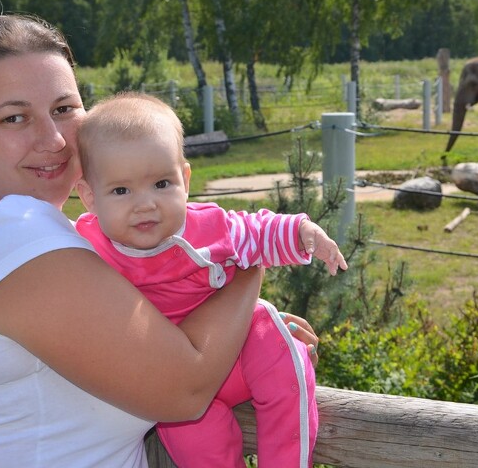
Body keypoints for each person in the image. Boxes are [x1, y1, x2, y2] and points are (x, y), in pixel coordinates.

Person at [0, 14, 319, 468]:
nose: (54, 139)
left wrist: (235, 328)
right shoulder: (13, 235)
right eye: (14, 118)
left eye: (64, 109)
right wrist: (241, 261)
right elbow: (185, 390)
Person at [73, 92, 348, 468]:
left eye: (161, 184)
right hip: (181, 385)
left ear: (184, 179)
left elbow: (260, 231)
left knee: (274, 347)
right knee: (191, 437)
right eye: (121, 190)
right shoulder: (86, 249)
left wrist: (304, 232)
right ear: (89, 196)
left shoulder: (209, 227)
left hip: (238, 351)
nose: (145, 203)